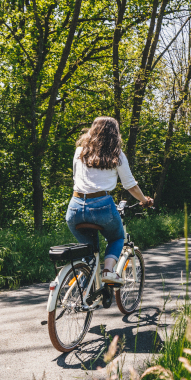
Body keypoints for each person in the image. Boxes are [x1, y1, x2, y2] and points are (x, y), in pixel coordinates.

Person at [66, 117, 153, 285]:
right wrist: (144, 200)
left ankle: (85, 292)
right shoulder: (117, 155)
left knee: (89, 252)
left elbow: (75, 179)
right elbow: (130, 185)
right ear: (115, 134)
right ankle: (108, 271)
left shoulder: (80, 151)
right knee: (117, 237)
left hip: (75, 207)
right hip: (102, 206)